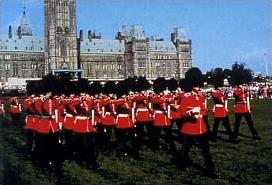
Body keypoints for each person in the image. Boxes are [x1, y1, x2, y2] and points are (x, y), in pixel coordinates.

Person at [176, 67, 216, 177]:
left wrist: (202, 112)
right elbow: (181, 113)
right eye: (197, 86)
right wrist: (191, 112)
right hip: (190, 127)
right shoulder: (186, 97)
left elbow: (203, 111)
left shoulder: (201, 97)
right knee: (186, 148)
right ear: (192, 86)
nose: (199, 88)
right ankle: (181, 163)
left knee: (206, 150)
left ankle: (210, 169)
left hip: (201, 126)